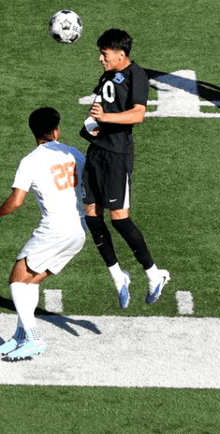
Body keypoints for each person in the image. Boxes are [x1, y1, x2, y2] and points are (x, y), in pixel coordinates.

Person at [0, 107, 87, 361]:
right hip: (79, 231)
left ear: (34, 133)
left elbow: (16, 201)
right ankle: (20, 336)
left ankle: (33, 338)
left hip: (55, 229)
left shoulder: (30, 161)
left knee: (17, 279)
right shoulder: (75, 154)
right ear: (56, 131)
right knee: (30, 282)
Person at [79, 28, 169, 309]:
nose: (100, 59)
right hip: (97, 151)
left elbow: (138, 114)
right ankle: (118, 276)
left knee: (119, 219)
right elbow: (98, 106)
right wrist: (91, 126)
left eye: (104, 54)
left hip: (117, 154)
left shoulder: (136, 75)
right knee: (92, 216)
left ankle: (154, 274)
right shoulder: (107, 75)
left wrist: (106, 117)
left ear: (120, 54)